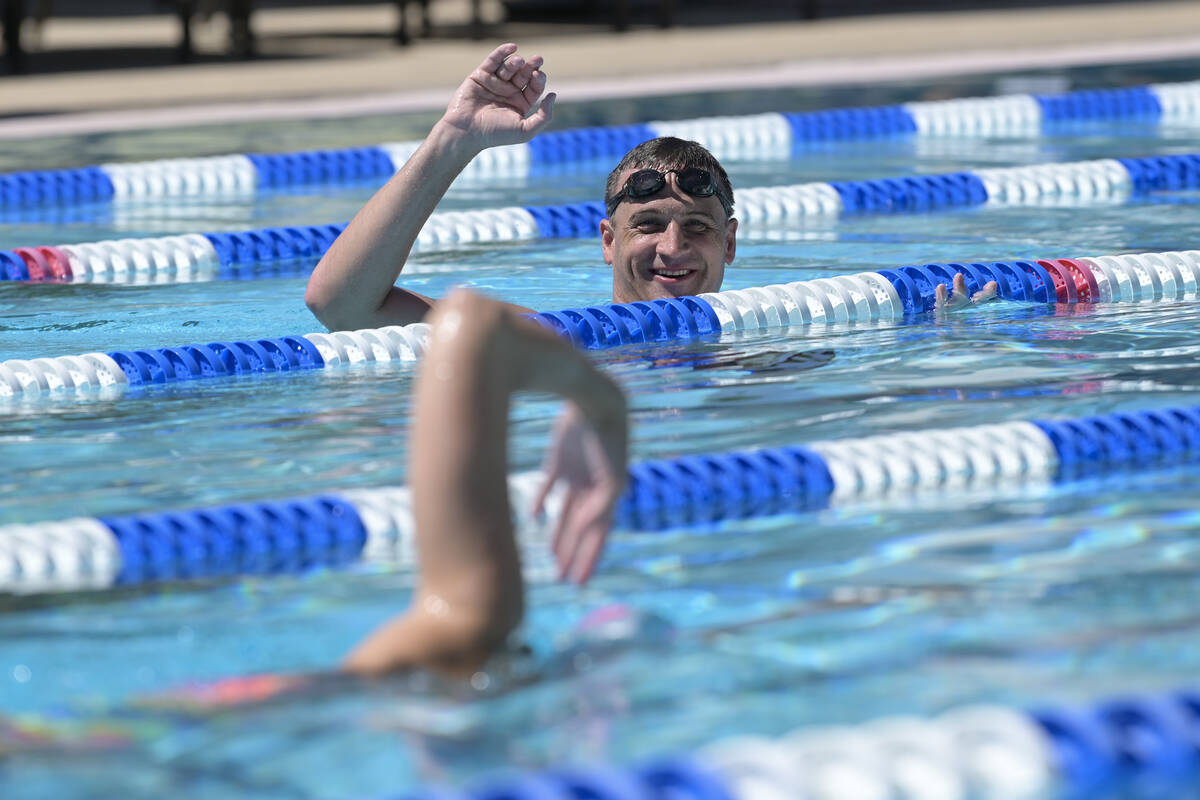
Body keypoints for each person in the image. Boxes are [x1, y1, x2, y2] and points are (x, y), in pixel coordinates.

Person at [304, 43, 740, 332]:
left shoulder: (776, 331)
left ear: (729, 242)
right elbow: (340, 306)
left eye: (698, 226)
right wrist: (453, 143)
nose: (672, 246)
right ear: (608, 241)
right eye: (647, 225)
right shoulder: (551, 340)